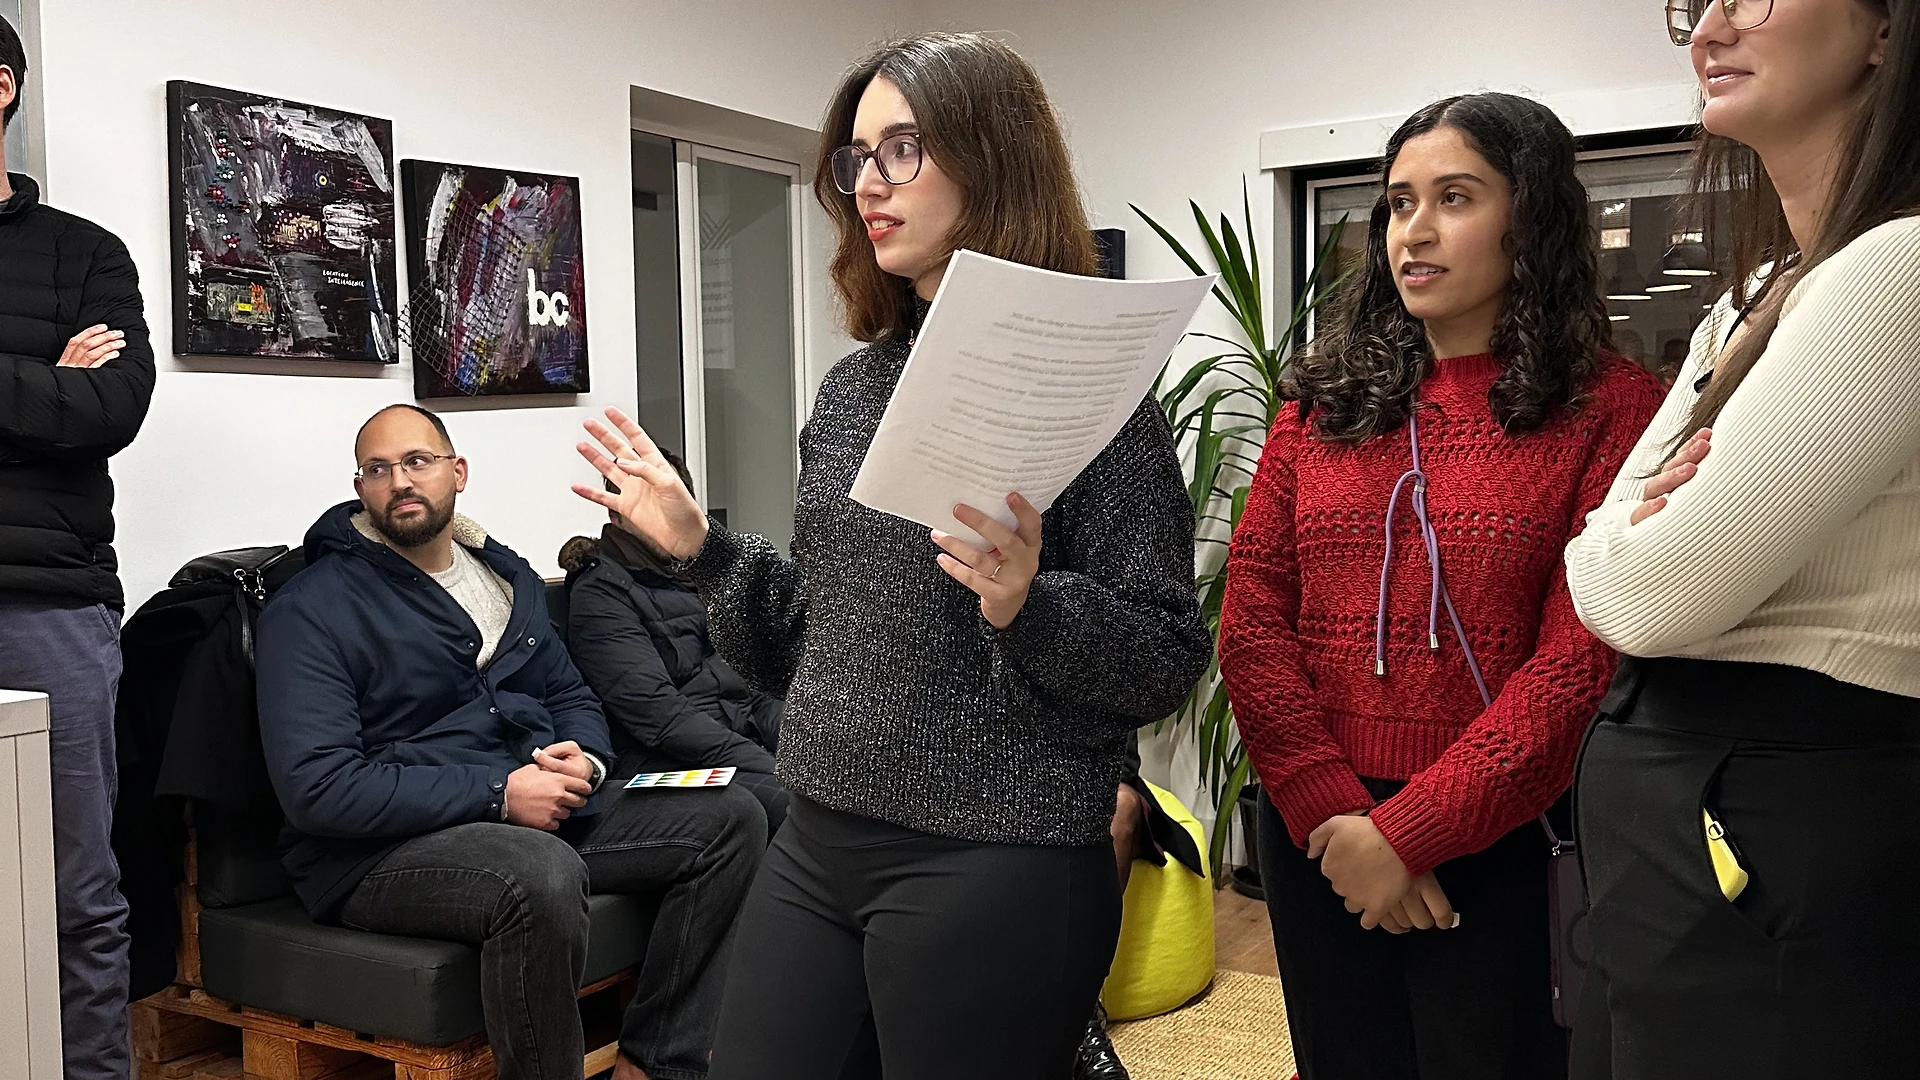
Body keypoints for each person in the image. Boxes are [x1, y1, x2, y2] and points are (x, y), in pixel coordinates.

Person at [570, 32, 1211, 1080]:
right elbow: (815, 642)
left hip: (994, 855)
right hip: (820, 834)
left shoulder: (1095, 402)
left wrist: (1027, 602)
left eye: (903, 149)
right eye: (858, 156)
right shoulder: (852, 393)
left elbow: (1163, 655)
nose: (869, 182)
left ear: (991, 156)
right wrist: (699, 549)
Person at [1218, 93, 1664, 1080]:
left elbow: (1582, 656)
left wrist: (1412, 832)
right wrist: (1333, 811)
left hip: (1503, 839)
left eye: (1452, 198)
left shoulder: (1611, 406)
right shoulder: (1320, 406)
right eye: (1396, 203)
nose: (1411, 232)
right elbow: (1252, 620)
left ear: (1531, 217)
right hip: (1319, 833)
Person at [1565, 1, 1919, 1076]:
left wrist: (1609, 537)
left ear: (1887, 30)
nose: (1710, 25)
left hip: (1781, 814)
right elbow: (1627, 540)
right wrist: (1623, 530)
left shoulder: (1898, 270)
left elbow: (1639, 598)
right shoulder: (1761, 296)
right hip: (1693, 829)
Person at [257, 404, 766, 1080]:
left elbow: (571, 696)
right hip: (376, 854)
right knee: (540, 875)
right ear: (361, 490)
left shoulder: (503, 578)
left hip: (530, 807)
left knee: (732, 819)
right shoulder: (311, 607)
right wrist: (500, 794)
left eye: (417, 462)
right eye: (377, 470)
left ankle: (656, 1064)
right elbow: (318, 789)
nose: (399, 482)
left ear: (457, 472)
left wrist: (583, 757)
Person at [0, 16, 155, 1080]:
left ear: (0, 86)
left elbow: (109, 405)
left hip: (47, 606)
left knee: (73, 893)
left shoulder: (86, 253)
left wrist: (70, 388)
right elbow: (60, 401)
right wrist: (35, 376)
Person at [559, 449, 788, 833]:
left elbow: (755, 689)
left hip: (736, 744)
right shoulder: (600, 592)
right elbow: (658, 716)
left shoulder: (700, 574)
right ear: (616, 514)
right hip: (665, 766)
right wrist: (766, 762)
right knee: (795, 806)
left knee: (847, 777)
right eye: (647, 508)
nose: (662, 520)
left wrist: (806, 742)